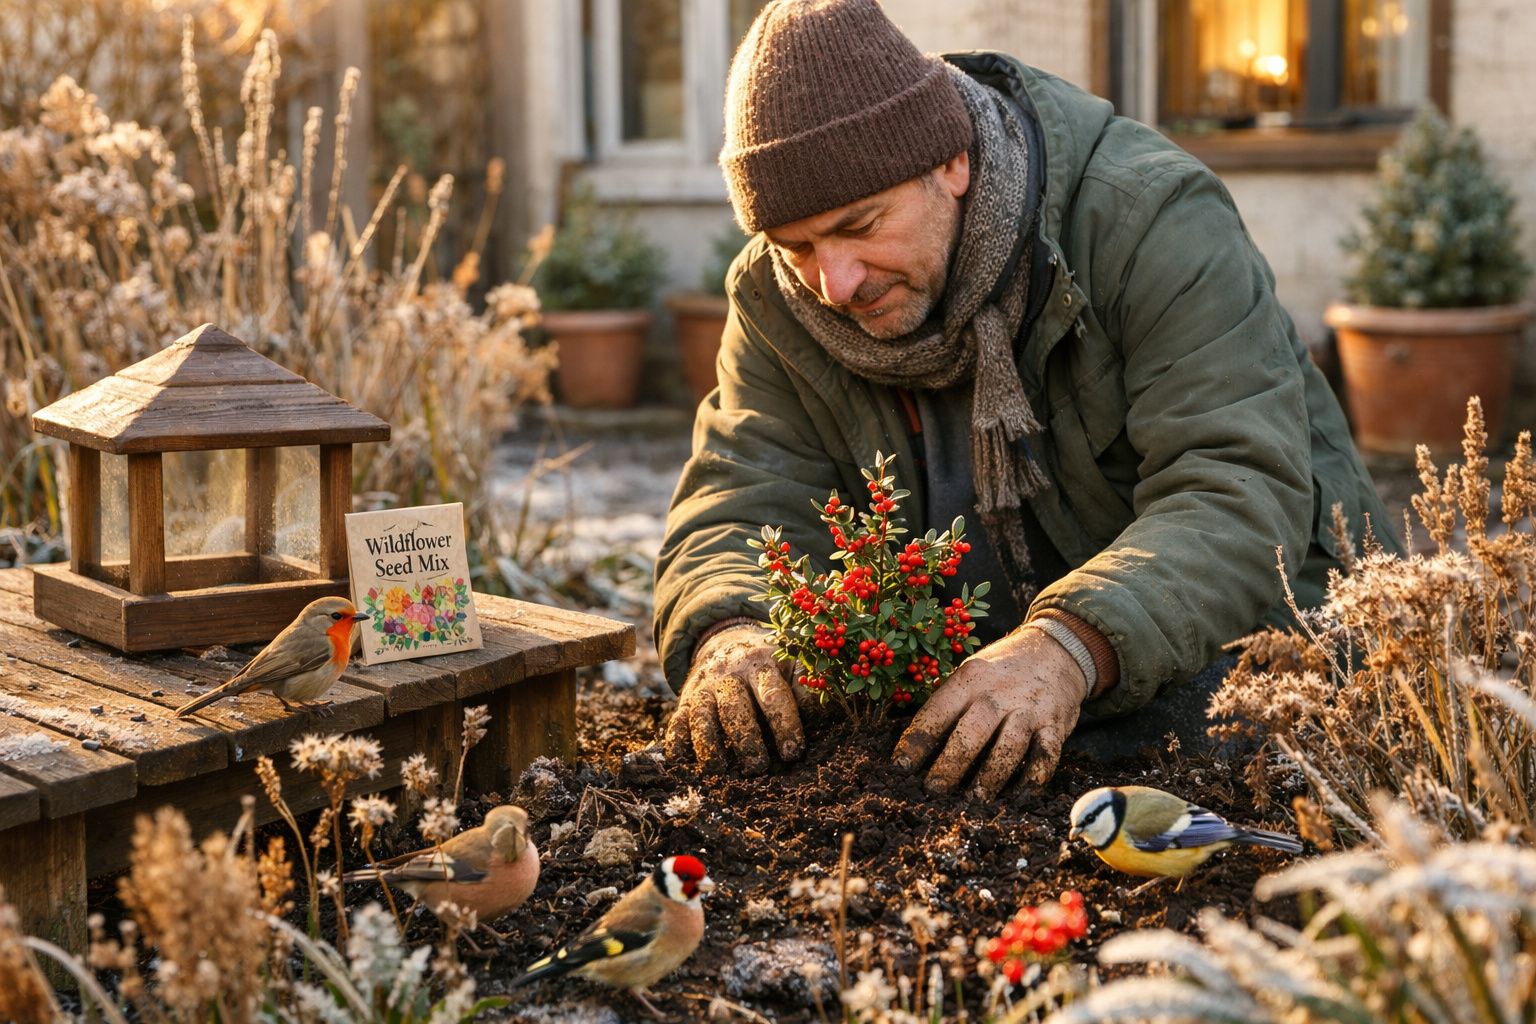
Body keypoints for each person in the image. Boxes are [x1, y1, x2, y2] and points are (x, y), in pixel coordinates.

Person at [653, 0, 1396, 798]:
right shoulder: (777, 299)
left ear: (951, 163)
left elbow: (1235, 487)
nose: (834, 284)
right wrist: (730, 628)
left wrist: (1066, 646)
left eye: (860, 225)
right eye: (796, 245)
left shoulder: (1150, 220)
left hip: (1264, 644)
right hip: (985, 687)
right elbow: (743, 496)